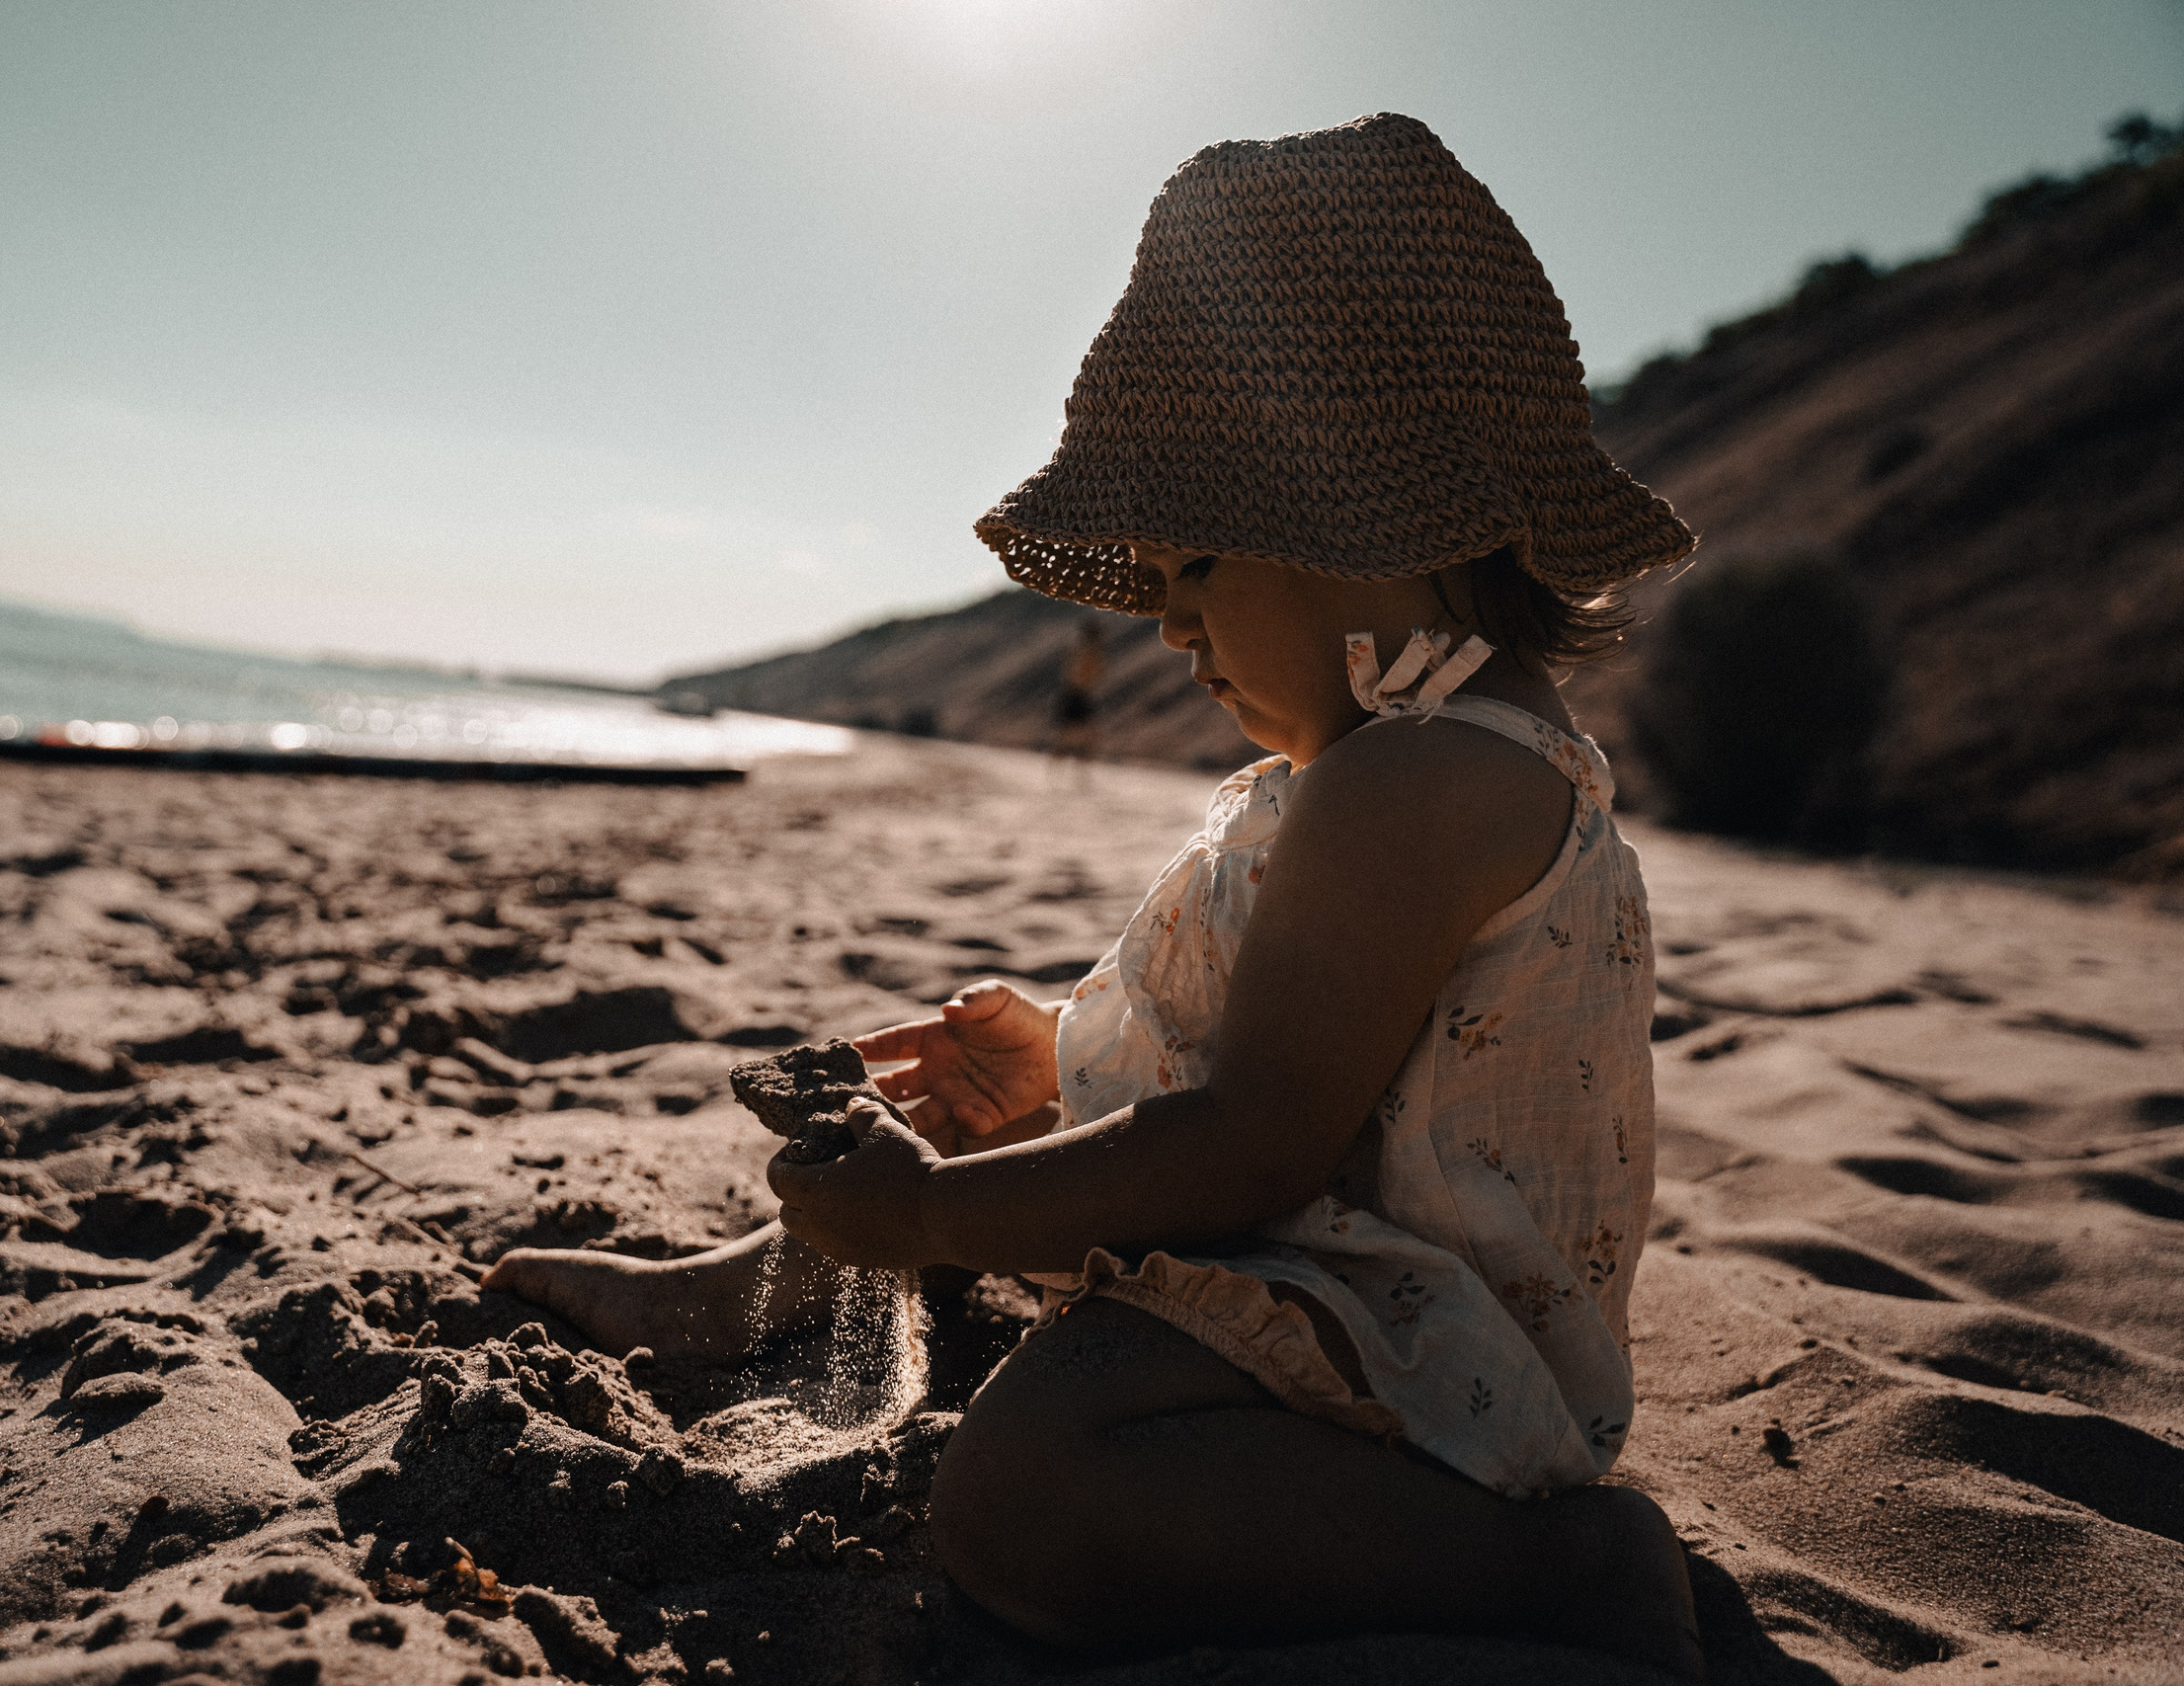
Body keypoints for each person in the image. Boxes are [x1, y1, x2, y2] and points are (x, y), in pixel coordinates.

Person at [492, 115, 1703, 1677]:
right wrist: (1061, 1048)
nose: (1168, 629)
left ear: (1363, 511)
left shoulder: (1417, 786)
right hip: (1320, 1257)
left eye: (1194, 566)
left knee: (1027, 1488)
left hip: (1406, 1342)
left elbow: (1257, 1138)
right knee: (1005, 1136)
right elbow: (1315, 1060)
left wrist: (933, 1211)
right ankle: (770, 1284)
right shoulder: (1404, 753)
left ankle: (1549, 1568)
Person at [1046, 618, 1107, 777]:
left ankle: (1069, 769)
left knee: (1080, 735)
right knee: (1073, 734)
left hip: (1079, 694)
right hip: (1077, 694)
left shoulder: (1084, 650)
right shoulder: (1086, 651)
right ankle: (1062, 769)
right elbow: (1079, 675)